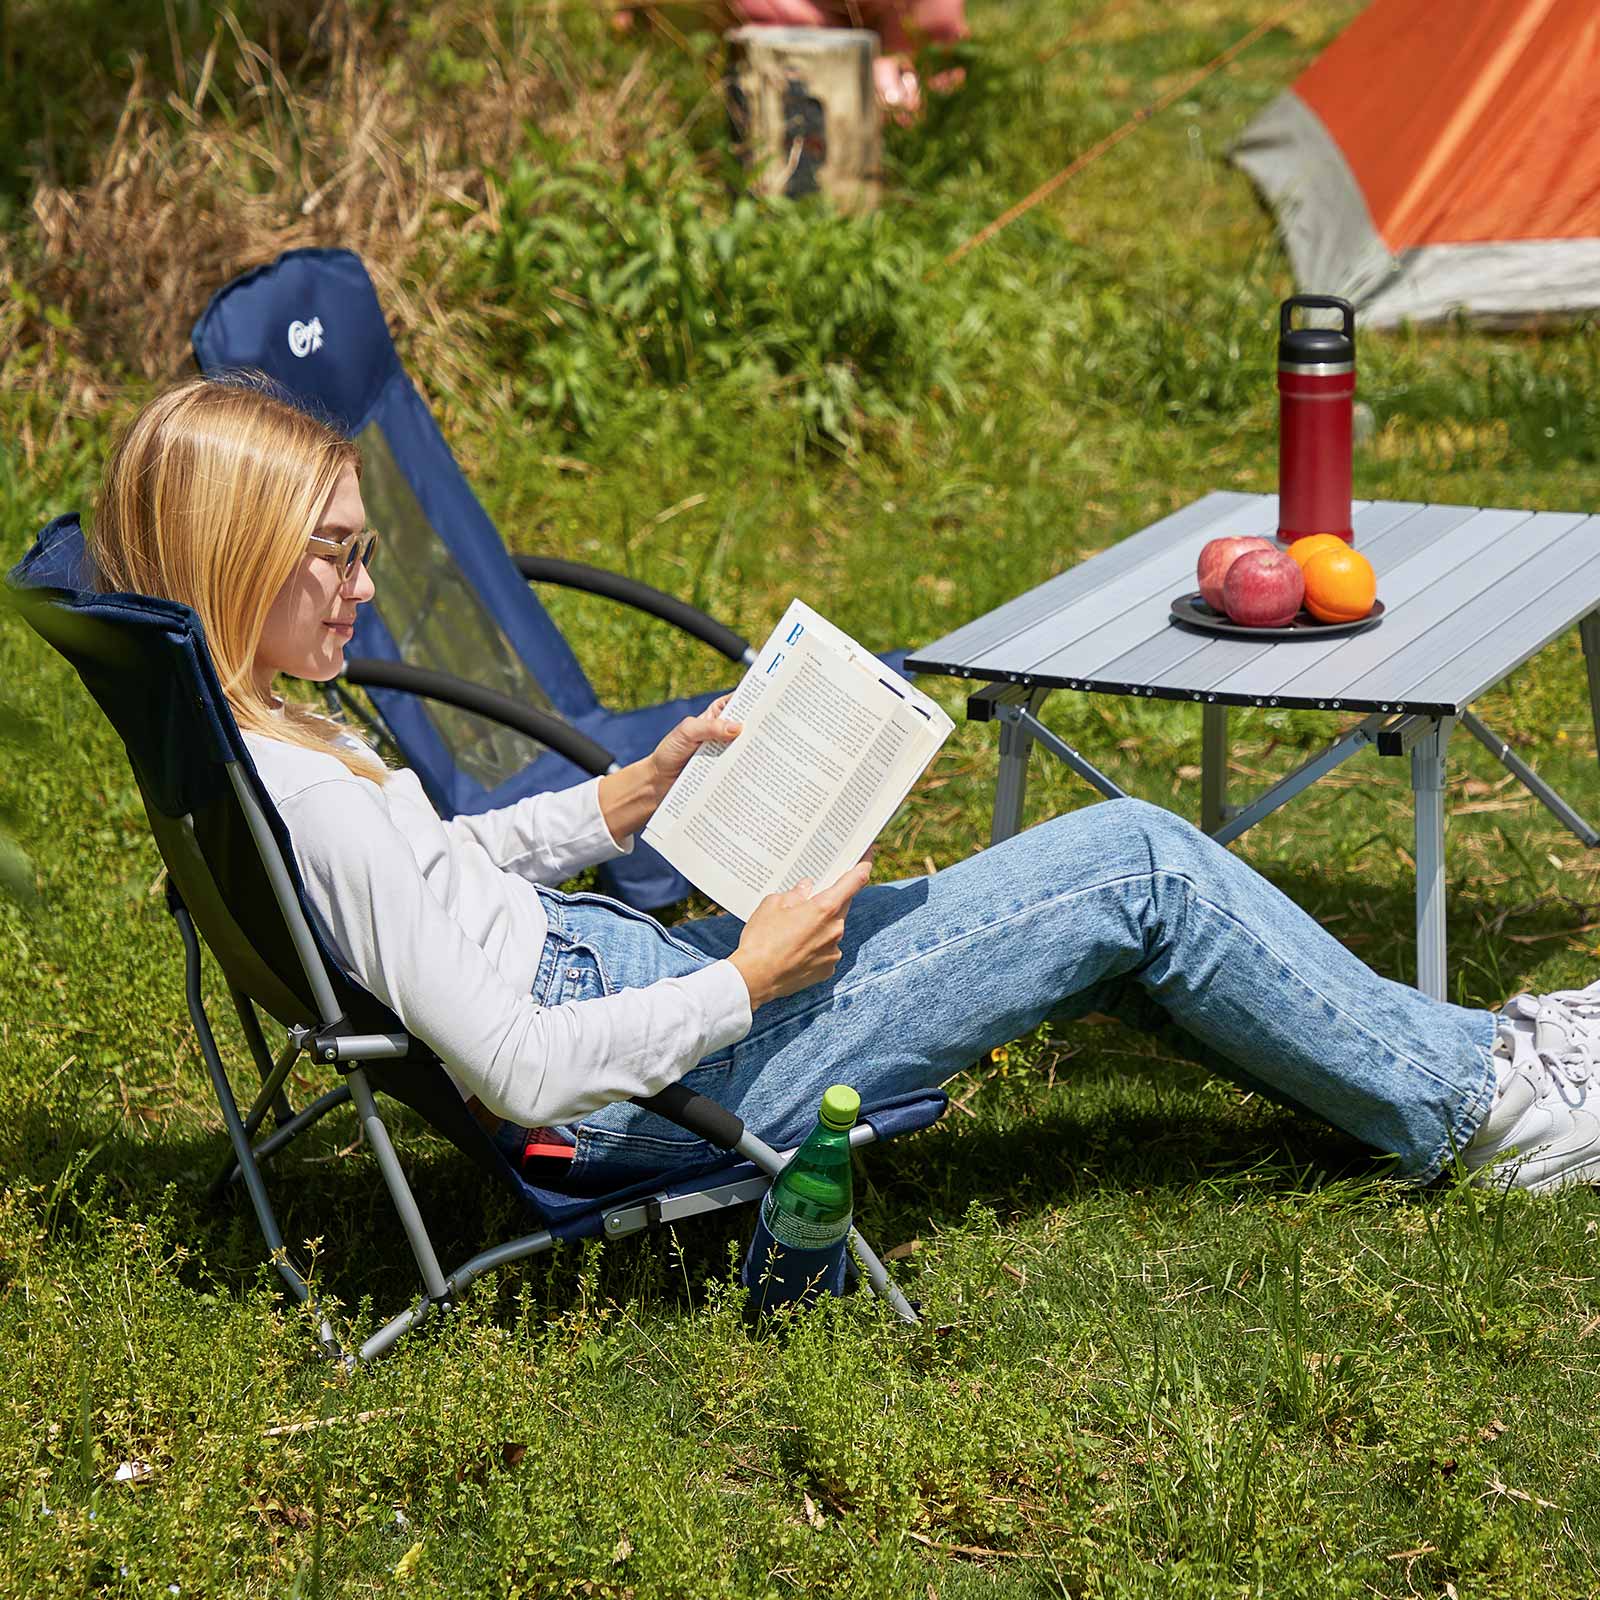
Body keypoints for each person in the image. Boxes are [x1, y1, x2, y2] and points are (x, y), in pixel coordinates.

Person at [89, 377, 1600, 1194]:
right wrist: (749, 980)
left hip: (633, 992)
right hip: (670, 1086)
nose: (364, 584)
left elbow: (446, 878)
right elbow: (522, 1074)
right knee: (1135, 862)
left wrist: (625, 800)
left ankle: (1463, 1051)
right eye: (339, 553)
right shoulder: (319, 794)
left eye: (362, 547)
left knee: (1105, 900)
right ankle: (1478, 1105)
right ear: (235, 561)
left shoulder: (269, 737)